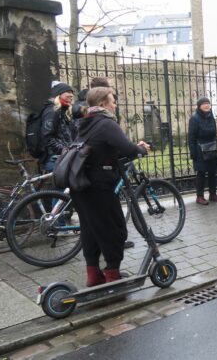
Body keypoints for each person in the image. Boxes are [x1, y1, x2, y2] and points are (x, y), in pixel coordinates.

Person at [71, 87, 150, 286]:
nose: (115, 104)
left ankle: (93, 275)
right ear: (104, 104)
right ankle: (113, 275)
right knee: (115, 230)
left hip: (82, 184)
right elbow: (127, 148)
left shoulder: (85, 122)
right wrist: (141, 149)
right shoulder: (106, 123)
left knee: (90, 230)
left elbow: (100, 150)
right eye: (113, 100)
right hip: (99, 186)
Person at [188, 97, 217, 205]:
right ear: (199, 106)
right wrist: (193, 152)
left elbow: (214, 133)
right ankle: (199, 196)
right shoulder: (194, 119)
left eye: (208, 103)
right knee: (201, 174)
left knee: (213, 172)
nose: (207, 105)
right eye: (204, 104)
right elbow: (191, 137)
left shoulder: (211, 117)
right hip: (200, 150)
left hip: (212, 148)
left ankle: (213, 194)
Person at [41, 82, 76, 172]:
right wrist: (63, 150)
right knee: (62, 186)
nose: (71, 95)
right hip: (55, 158)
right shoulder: (52, 111)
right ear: (58, 94)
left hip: (65, 156)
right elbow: (47, 137)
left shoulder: (65, 111)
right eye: (68, 92)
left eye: (72, 93)